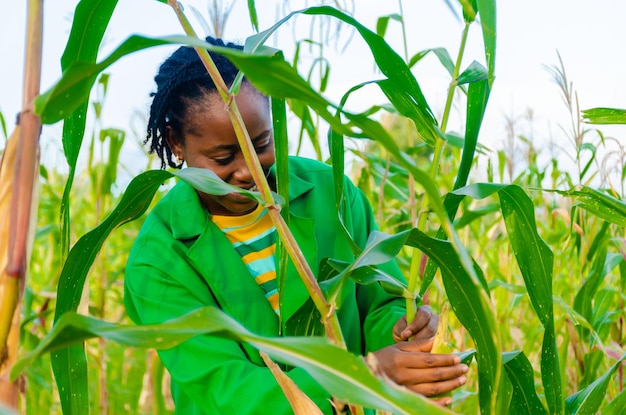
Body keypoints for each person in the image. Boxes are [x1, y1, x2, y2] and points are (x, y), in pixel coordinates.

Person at [124, 37, 468, 415]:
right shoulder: (158, 259)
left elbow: (380, 301)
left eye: (262, 144)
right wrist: (360, 377)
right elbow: (225, 392)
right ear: (175, 143)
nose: (248, 170)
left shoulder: (332, 192)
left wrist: (405, 334)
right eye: (223, 157)